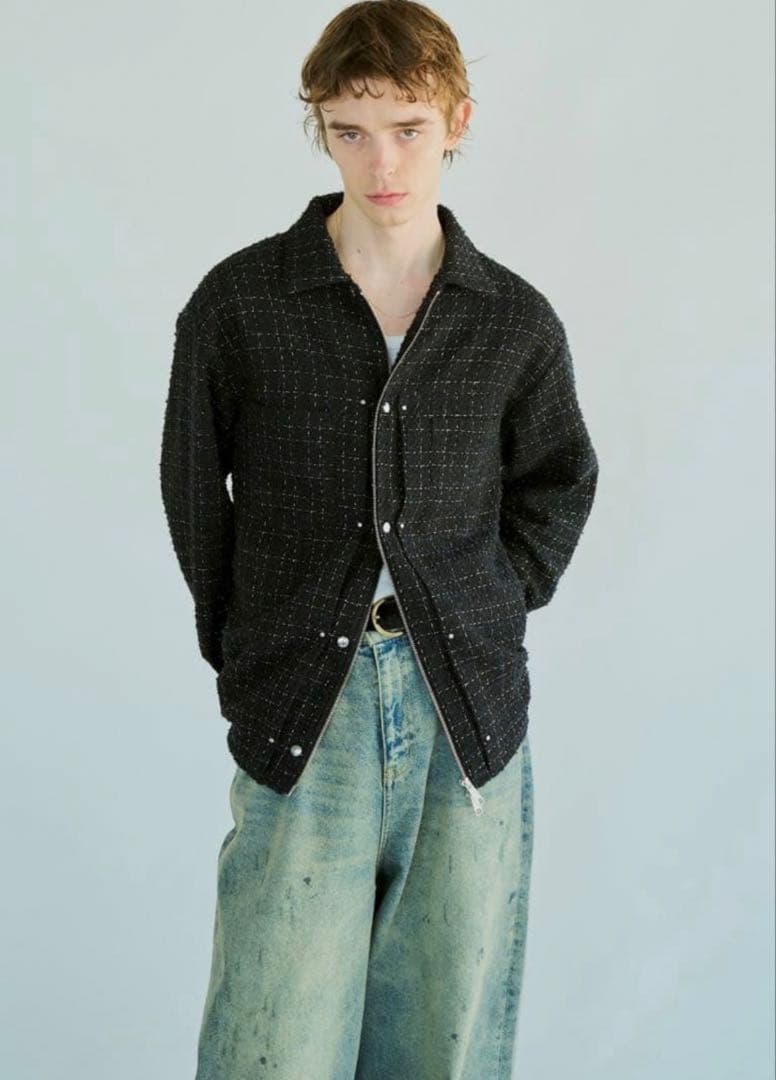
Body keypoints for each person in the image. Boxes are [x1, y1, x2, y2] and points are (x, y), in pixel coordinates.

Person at [159, 2, 599, 1077]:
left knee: (439, 1040)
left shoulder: (511, 320)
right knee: (274, 1040)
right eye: (349, 131)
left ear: (457, 120)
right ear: (318, 126)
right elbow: (193, 491)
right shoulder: (242, 304)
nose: (382, 163)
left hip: (468, 718)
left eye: (407, 128)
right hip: (305, 707)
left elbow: (559, 480)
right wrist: (246, 648)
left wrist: (487, 603)